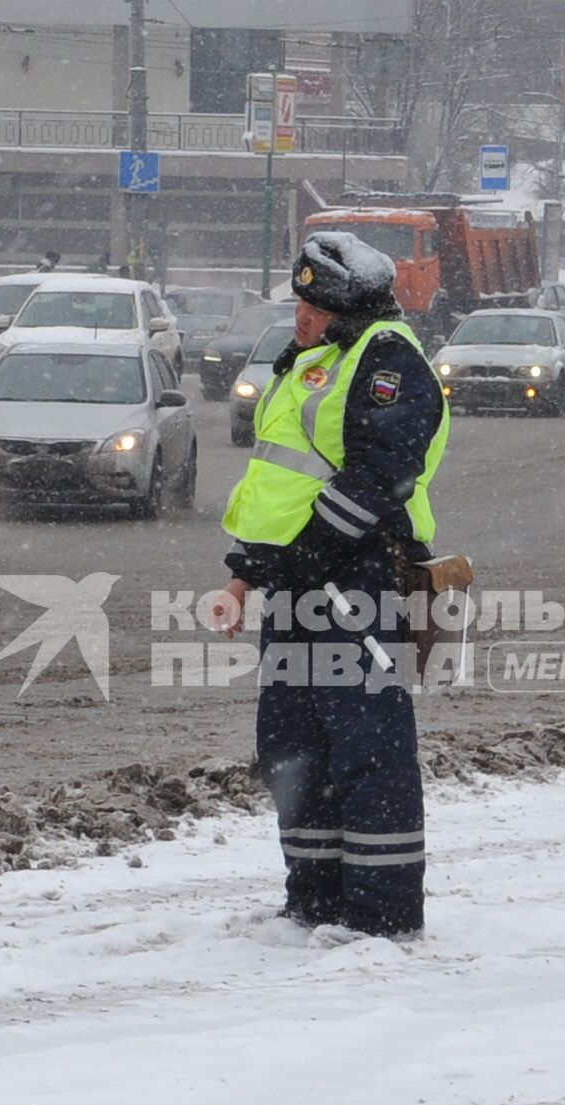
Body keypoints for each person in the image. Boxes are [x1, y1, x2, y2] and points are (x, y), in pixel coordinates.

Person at [210, 231, 449, 939]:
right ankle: (313, 901)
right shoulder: (314, 361)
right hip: (299, 583)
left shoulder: (386, 360)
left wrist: (311, 556)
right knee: (294, 745)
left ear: (346, 305)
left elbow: (385, 472)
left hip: (361, 578)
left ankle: (381, 916)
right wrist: (244, 571)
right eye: (299, 302)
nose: (299, 315)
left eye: (312, 304)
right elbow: (276, 484)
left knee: (366, 748)